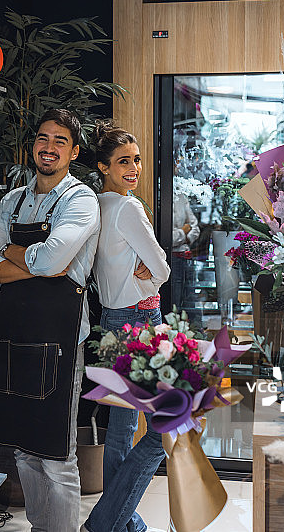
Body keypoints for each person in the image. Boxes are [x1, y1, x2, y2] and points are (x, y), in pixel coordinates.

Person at [0, 108, 100, 532]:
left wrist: (16, 254)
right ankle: (39, 527)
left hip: (59, 338)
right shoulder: (12, 200)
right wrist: (36, 261)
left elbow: (52, 260)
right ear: (33, 146)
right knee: (24, 450)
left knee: (55, 454)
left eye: (60, 141)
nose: (49, 147)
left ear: (74, 151)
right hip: (13, 335)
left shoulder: (80, 199)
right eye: (43, 139)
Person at [83, 122, 169, 532]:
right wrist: (151, 276)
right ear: (104, 167)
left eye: (136, 159)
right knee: (167, 425)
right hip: (141, 319)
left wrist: (144, 272)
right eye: (123, 162)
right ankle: (105, 522)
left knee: (121, 428)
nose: (133, 168)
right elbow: (164, 270)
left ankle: (122, 522)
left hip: (112, 322)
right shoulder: (128, 208)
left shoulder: (94, 205)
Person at [171, 188, 201, 323]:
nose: (176, 166)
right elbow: (165, 238)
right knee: (174, 301)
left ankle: (193, 333)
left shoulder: (181, 196)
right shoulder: (157, 195)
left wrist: (184, 237)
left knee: (190, 298)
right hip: (170, 259)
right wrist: (183, 232)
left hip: (185, 257)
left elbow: (195, 228)